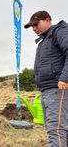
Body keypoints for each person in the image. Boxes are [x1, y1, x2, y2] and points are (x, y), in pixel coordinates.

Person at [24, 10, 68, 146]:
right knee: (56, 128)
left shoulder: (59, 32)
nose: (34, 28)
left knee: (55, 129)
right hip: (47, 89)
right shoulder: (45, 40)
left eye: (36, 24)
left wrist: (65, 78)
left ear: (48, 20)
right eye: (32, 26)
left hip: (57, 88)